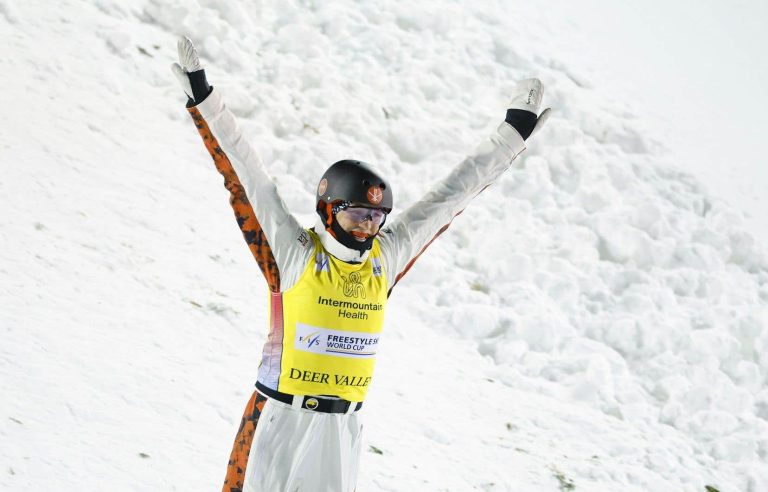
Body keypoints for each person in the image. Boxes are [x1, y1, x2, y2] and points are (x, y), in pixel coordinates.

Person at [172, 36, 550, 492]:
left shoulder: (384, 261)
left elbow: (451, 197)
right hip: (280, 421)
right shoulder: (295, 252)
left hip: (340, 433)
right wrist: (205, 101)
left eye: (377, 217)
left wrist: (511, 134)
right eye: (357, 214)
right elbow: (245, 175)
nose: (369, 227)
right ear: (329, 209)